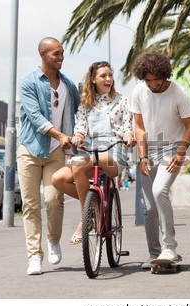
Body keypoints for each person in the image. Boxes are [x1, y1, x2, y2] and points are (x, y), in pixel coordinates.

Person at [52, 61, 135, 244]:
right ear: (93, 79)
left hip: (113, 153)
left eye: (110, 75)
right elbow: (80, 127)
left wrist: (129, 136)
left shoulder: (122, 100)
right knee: (58, 179)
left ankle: (84, 220)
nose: (108, 79)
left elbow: (127, 127)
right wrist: (78, 137)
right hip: (89, 152)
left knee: (81, 164)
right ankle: (96, 204)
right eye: (103, 76)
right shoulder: (85, 103)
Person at [17, 37, 80, 275]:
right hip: (30, 150)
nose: (61, 57)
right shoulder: (28, 82)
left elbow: (78, 108)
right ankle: (34, 256)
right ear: (42, 54)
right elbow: (34, 116)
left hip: (56, 151)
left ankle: (53, 240)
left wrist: (75, 133)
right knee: (31, 204)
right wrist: (59, 134)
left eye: (62, 53)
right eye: (56, 54)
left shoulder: (67, 84)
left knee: (54, 199)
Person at [130, 50, 190, 268]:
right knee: (149, 207)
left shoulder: (180, 94)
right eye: (147, 80)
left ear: (165, 75)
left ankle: (170, 248)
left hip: (172, 148)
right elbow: (139, 128)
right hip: (149, 150)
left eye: (156, 79)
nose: (152, 84)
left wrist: (180, 153)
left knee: (160, 191)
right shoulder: (139, 91)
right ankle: (154, 253)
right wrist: (142, 156)